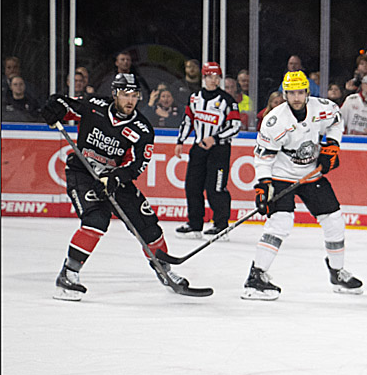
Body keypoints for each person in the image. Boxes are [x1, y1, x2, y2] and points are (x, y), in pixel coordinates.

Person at [40, 73, 191, 300]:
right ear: (114, 94)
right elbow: (65, 105)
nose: (130, 100)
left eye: (134, 95)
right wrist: (54, 106)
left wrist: (115, 178)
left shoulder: (142, 129)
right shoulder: (94, 106)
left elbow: (137, 165)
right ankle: (69, 274)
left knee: (148, 225)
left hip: (115, 180)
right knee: (96, 220)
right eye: (124, 94)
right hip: (83, 172)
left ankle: (164, 270)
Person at [244, 71, 363, 300]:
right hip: (281, 174)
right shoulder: (275, 121)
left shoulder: (323, 108)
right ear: (285, 94)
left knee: (335, 220)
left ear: (307, 92)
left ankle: (337, 272)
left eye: (300, 92)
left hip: (310, 174)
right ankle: (256, 276)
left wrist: (332, 146)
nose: (296, 97)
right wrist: (263, 185)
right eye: (291, 93)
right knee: (280, 223)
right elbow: (263, 157)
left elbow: (337, 122)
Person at [173, 62, 242, 239]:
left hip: (219, 150)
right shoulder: (195, 98)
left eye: (216, 77)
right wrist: (180, 140)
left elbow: (235, 126)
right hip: (198, 149)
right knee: (192, 186)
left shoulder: (227, 100)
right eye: (210, 76)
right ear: (204, 78)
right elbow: (188, 120)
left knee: (216, 188)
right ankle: (194, 225)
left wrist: (215, 138)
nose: (213, 80)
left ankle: (221, 226)